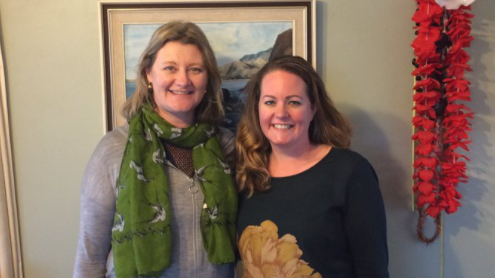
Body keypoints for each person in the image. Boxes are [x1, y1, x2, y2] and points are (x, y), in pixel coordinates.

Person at [74, 21, 237, 278]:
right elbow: (89, 258)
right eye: (170, 68)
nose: (182, 80)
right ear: (149, 74)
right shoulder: (114, 150)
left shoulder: (227, 147)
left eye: (195, 69)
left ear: (208, 79)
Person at [236, 56, 389, 278]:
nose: (281, 113)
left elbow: (372, 271)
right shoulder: (247, 174)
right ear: (257, 108)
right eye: (270, 101)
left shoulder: (350, 172)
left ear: (313, 109)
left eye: (294, 102)